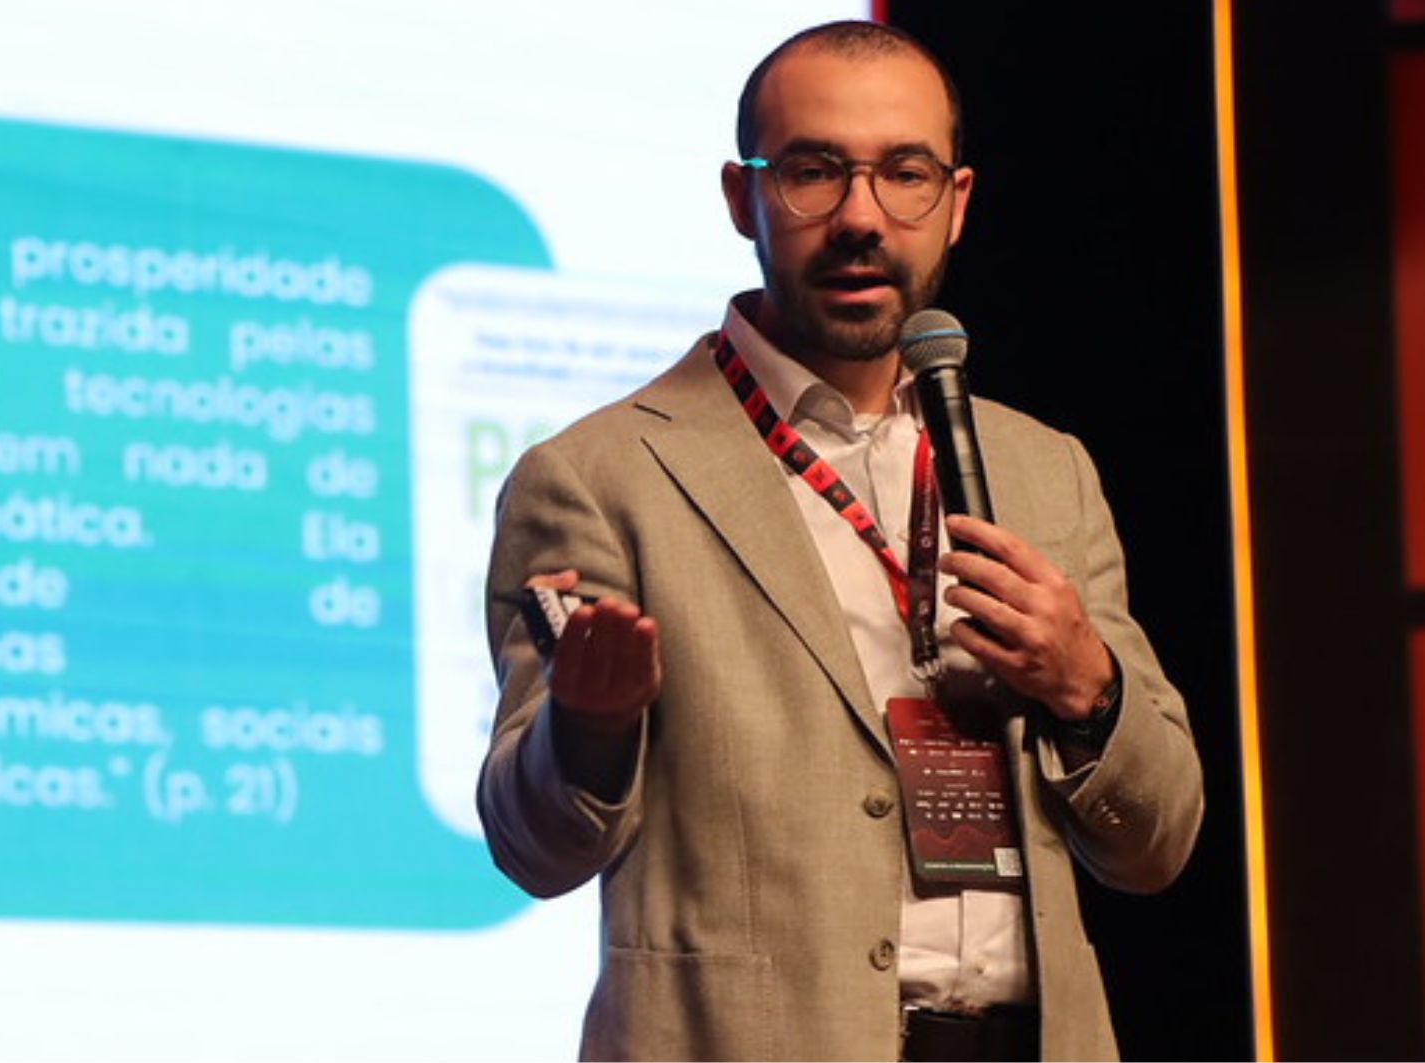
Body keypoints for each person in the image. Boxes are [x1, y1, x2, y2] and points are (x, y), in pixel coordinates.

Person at [475, 20, 1203, 1062]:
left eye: (905, 173)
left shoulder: (1047, 469)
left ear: (957, 202)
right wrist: (586, 728)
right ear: (744, 198)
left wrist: (1089, 688)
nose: (861, 217)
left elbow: (1160, 841)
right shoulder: (600, 476)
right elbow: (532, 846)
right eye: (814, 172)